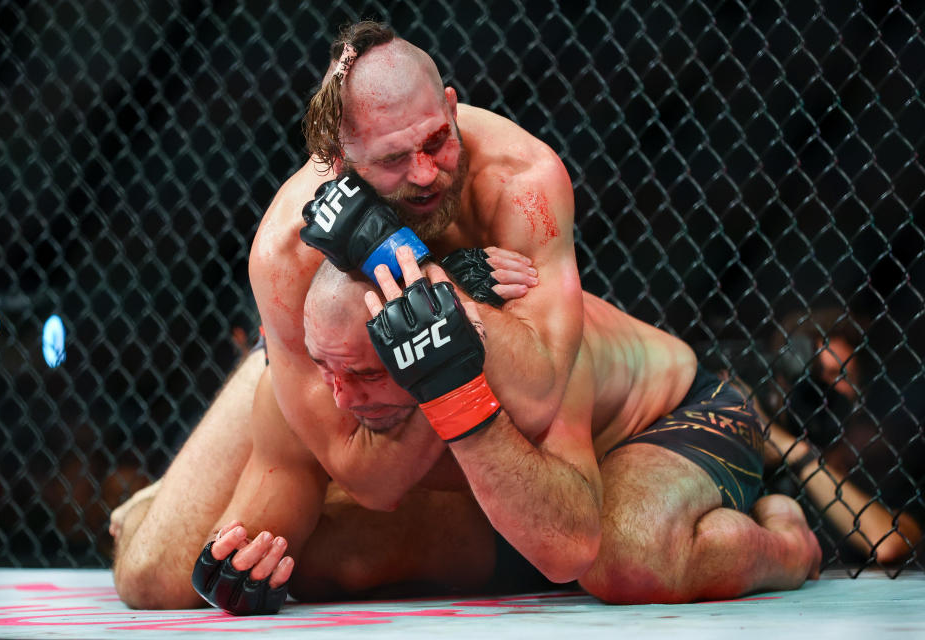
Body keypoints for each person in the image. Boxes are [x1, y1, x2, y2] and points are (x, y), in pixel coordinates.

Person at [112, 20, 583, 609]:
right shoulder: (287, 251)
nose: (424, 173)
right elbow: (369, 478)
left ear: (452, 108)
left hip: (452, 388)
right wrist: (447, 286)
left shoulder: (522, 182)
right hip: (330, 367)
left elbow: (539, 394)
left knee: (359, 545)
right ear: (338, 159)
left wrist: (435, 281)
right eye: (391, 159)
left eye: (437, 141)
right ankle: (168, 497)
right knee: (155, 577)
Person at [187, 248, 819, 614]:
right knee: (323, 556)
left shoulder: (522, 352)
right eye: (327, 368)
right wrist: (245, 572)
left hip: (673, 420)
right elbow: (264, 525)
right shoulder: (318, 380)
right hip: (533, 486)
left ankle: (787, 540)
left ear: (423, 345)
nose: (341, 396)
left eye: (368, 374)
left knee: (624, 562)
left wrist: (454, 391)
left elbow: (569, 542)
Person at [749, 309, 922, 563]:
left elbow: (889, 543)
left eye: (837, 375)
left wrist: (795, 451)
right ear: (780, 383)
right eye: (809, 375)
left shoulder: (885, 470)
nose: (819, 389)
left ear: (859, 394)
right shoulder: (755, 464)